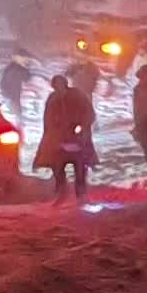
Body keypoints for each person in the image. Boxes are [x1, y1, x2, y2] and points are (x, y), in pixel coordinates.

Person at [32, 74, 98, 203]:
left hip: (77, 137)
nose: (59, 88)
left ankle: (81, 193)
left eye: (60, 84)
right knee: (58, 166)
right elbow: (48, 119)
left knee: (79, 165)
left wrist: (82, 126)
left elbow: (88, 113)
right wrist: (51, 135)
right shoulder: (52, 99)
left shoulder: (77, 95)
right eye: (56, 86)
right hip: (59, 139)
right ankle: (61, 192)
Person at [0, 52, 34, 122]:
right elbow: (27, 77)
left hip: (9, 96)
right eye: (24, 59)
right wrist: (25, 66)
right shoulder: (16, 69)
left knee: (16, 114)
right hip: (12, 96)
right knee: (17, 115)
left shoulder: (10, 67)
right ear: (17, 58)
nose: (26, 60)